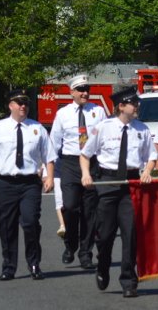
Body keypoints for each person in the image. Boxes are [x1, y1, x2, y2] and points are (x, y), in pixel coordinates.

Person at [80, 86, 157, 298]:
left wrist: (147, 171)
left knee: (130, 234)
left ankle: (128, 280)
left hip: (131, 184)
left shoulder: (142, 129)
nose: (137, 106)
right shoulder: (102, 128)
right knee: (104, 236)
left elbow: (152, 156)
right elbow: (85, 155)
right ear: (121, 106)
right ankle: (102, 267)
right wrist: (86, 174)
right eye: (134, 103)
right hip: (107, 182)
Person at [0, 89, 53, 281]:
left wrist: (49, 176)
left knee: (30, 222)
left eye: (25, 103)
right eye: (19, 103)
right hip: (5, 183)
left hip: (29, 183)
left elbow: (49, 156)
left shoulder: (37, 128)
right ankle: (9, 267)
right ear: (10, 105)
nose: (23, 106)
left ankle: (34, 263)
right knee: (7, 225)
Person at [48, 74, 105, 270]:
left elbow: (104, 139)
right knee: (70, 206)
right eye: (80, 89)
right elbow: (54, 142)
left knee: (90, 211)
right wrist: (49, 169)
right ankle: (70, 244)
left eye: (87, 89)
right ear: (71, 92)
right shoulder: (63, 114)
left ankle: (85, 253)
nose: (85, 93)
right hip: (70, 163)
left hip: (92, 162)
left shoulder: (98, 112)